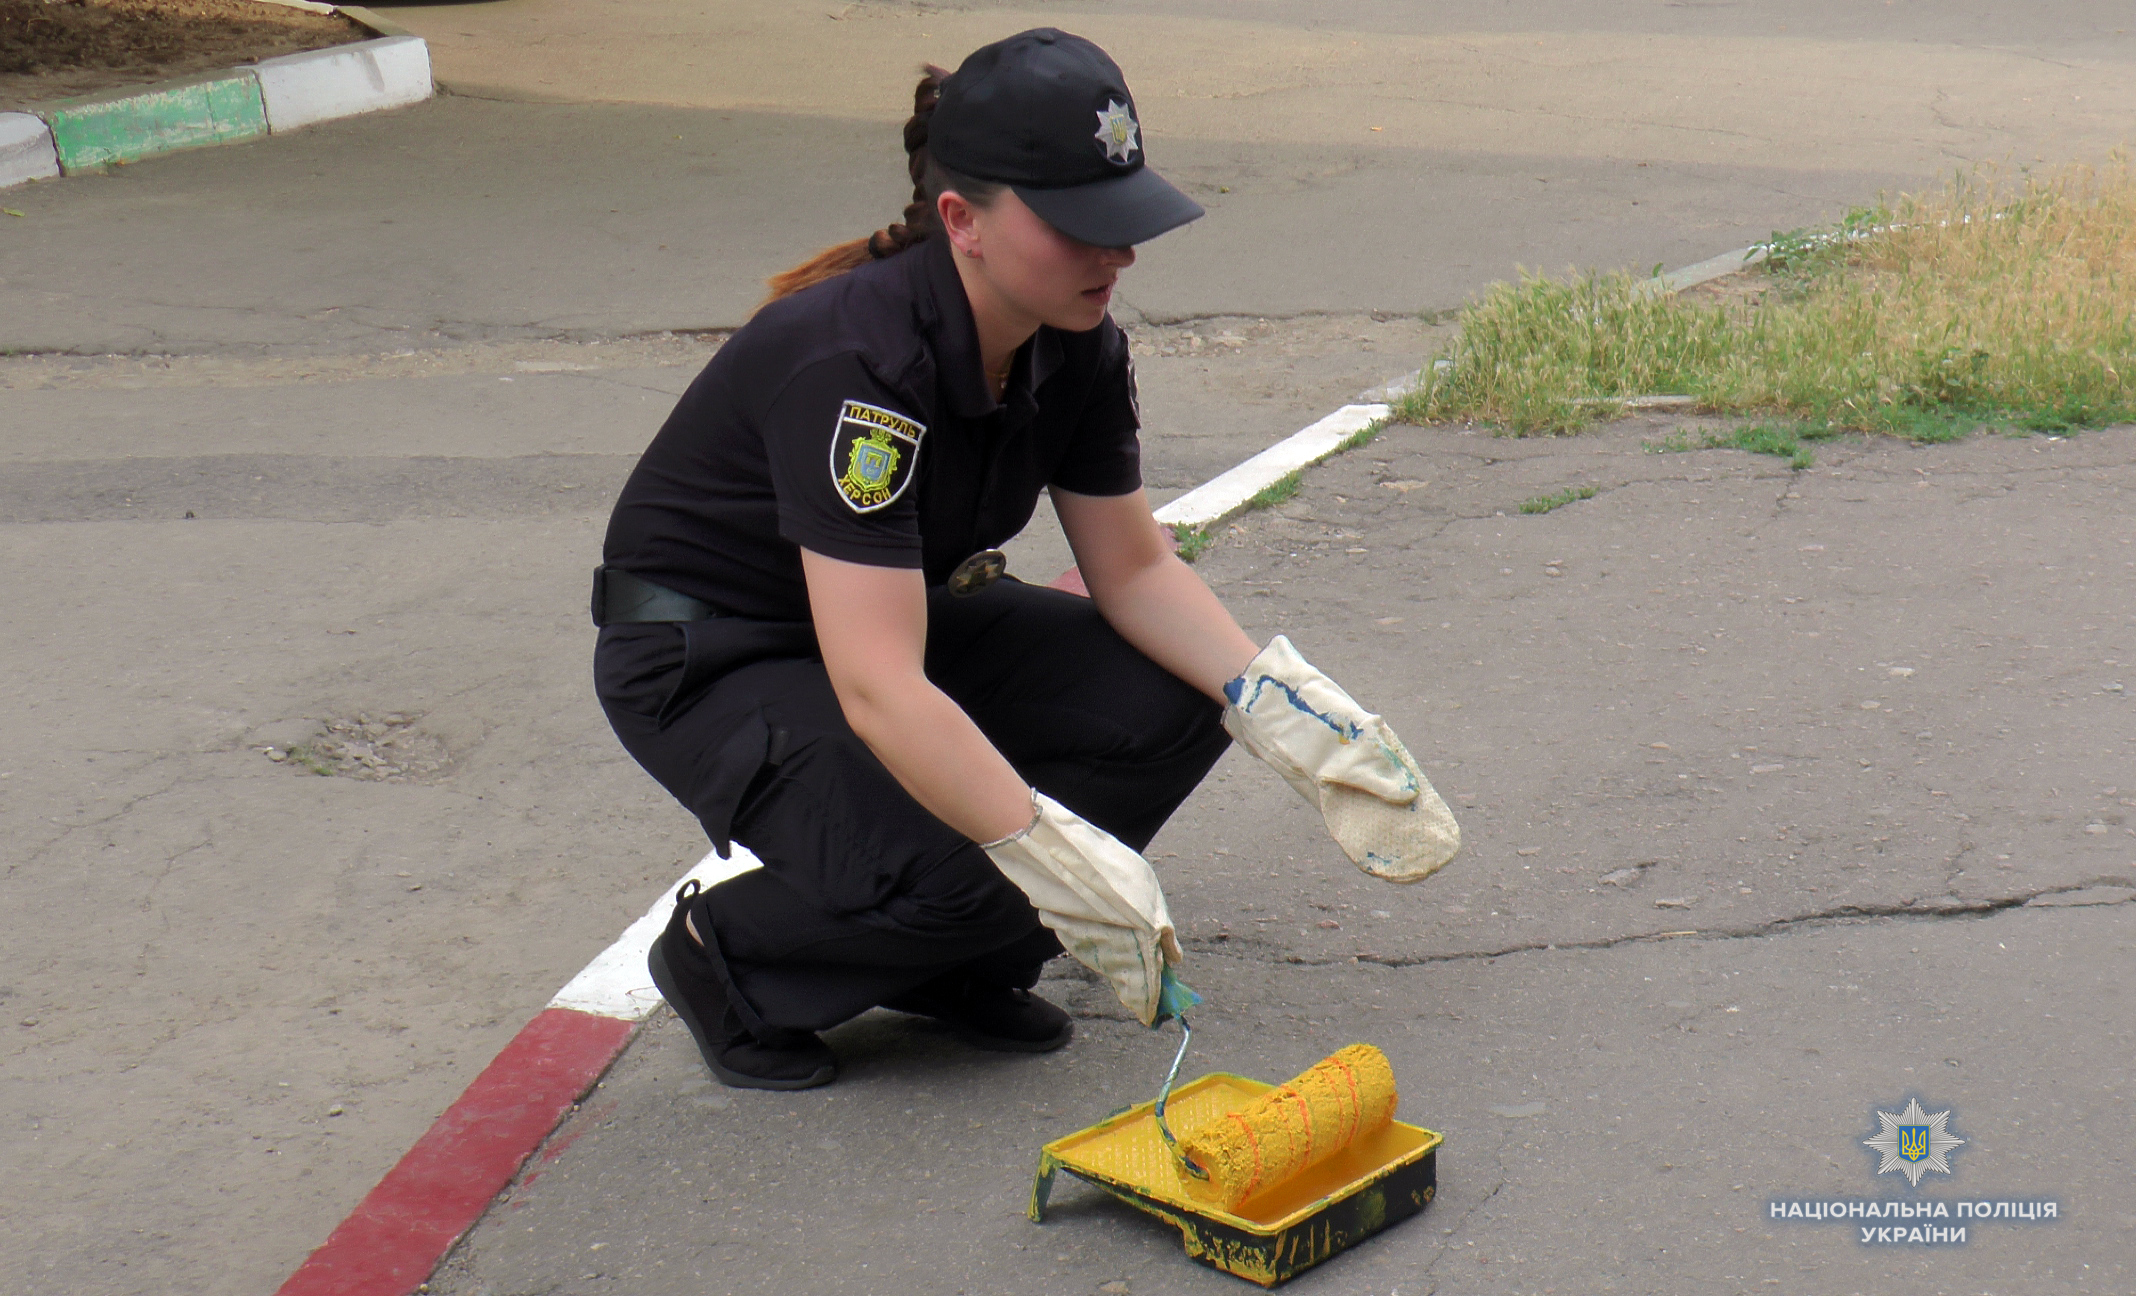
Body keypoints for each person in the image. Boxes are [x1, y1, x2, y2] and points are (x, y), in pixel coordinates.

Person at [594, 29, 1459, 1092]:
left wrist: (1281, 707)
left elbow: (1135, 572)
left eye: (1126, 222)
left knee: (1173, 699)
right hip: (711, 658)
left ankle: (957, 963)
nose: (1119, 256)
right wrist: (1045, 851)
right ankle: (730, 960)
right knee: (967, 862)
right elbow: (877, 686)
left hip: (879, 627)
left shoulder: (1073, 337)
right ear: (962, 221)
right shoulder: (860, 370)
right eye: (1079, 228)